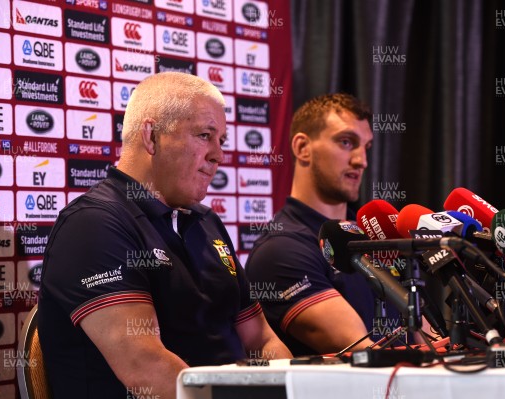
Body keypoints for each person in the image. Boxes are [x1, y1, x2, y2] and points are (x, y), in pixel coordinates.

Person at [38, 72, 291, 399]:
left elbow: (262, 341)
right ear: (151, 136)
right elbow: (147, 368)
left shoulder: (206, 223)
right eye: (204, 135)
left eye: (221, 141)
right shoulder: (93, 225)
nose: (219, 155)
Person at [245, 93, 407, 356]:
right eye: (346, 142)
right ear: (302, 148)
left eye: (365, 147)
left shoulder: (375, 234)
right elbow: (364, 350)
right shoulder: (281, 249)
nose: (361, 161)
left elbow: (426, 333)